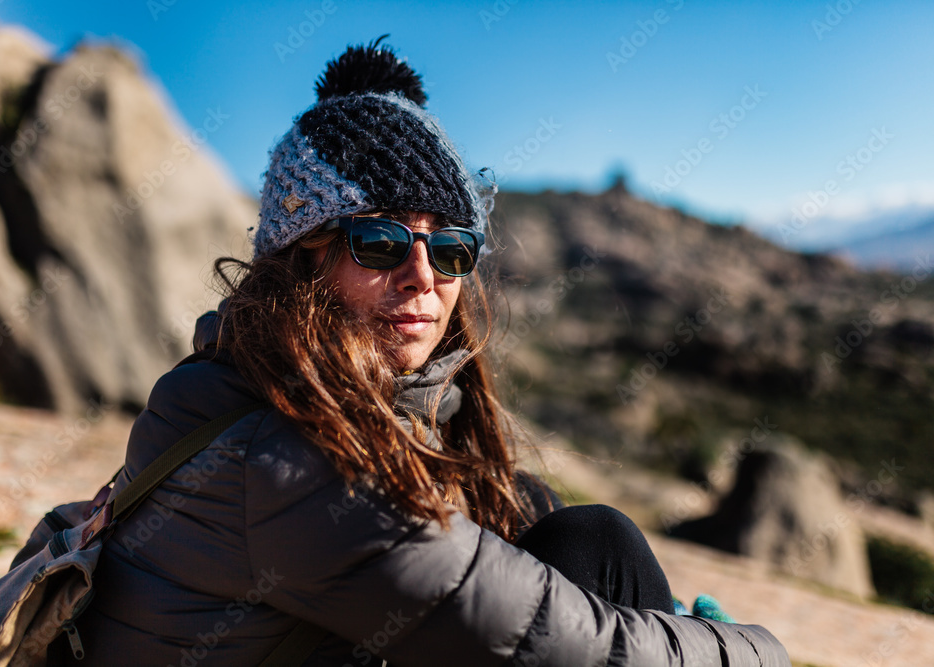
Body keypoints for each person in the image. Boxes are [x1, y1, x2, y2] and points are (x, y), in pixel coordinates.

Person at [71, 37, 789, 665]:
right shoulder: (288, 458)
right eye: (380, 242)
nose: (424, 277)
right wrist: (753, 651)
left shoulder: (253, 381)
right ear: (303, 260)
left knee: (548, 517)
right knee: (598, 548)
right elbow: (558, 642)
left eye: (449, 249)